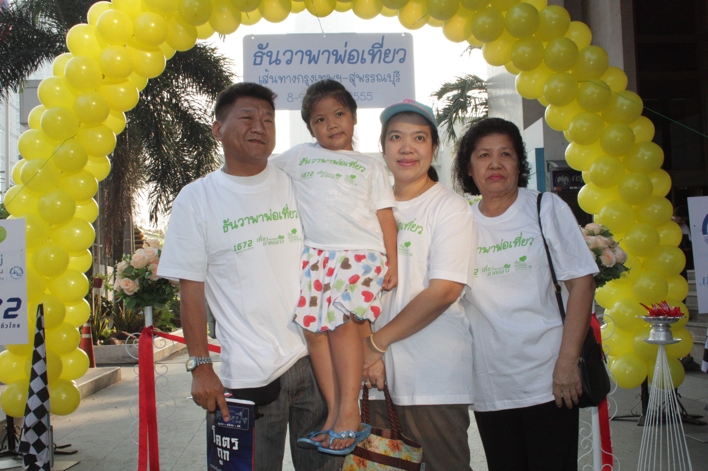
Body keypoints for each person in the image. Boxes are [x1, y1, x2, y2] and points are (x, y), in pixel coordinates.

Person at [158, 82, 341, 471]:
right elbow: (191, 290)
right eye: (247, 117)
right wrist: (200, 366)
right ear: (217, 128)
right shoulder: (197, 198)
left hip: (318, 364)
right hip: (247, 377)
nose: (260, 126)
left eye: (268, 120)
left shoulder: (295, 182)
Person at [454, 118, 597, 470]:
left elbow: (581, 284)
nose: (495, 164)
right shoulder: (460, 223)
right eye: (484, 155)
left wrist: (567, 364)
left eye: (506, 154)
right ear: (469, 168)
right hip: (491, 384)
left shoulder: (545, 208)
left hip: (550, 379)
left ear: (519, 163)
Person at [270, 80, 398, 454]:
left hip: (360, 254)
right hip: (316, 256)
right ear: (310, 128)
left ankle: (350, 412)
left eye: (339, 114)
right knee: (313, 330)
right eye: (320, 119)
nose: (331, 124)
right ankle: (333, 413)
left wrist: (392, 262)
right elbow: (259, 169)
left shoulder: (371, 165)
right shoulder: (299, 156)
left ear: (354, 118)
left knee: (342, 325)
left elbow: (386, 217)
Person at [361, 99, 476, 471]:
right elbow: (350, 286)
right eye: (396, 137)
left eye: (419, 138)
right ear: (383, 147)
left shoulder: (449, 208)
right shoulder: (366, 209)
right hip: (373, 379)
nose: (407, 148)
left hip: (433, 379)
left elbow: (444, 291)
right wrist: (369, 351)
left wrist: (375, 344)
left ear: (434, 148)